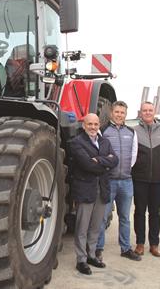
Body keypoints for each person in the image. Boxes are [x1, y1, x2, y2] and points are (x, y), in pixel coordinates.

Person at [69, 113, 118, 275]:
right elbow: (87, 164)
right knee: (82, 226)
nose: (93, 127)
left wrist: (99, 160)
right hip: (85, 189)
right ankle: (81, 260)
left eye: (96, 124)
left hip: (102, 189)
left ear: (99, 125)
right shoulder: (77, 142)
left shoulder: (105, 141)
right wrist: (105, 162)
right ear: (84, 125)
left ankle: (91, 255)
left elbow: (115, 160)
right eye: (90, 124)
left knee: (97, 226)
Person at [97, 100, 141, 261]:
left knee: (124, 217)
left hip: (126, 181)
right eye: (117, 112)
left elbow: (134, 155)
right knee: (102, 216)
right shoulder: (104, 131)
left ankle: (125, 248)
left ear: (125, 115)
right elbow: (100, 153)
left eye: (122, 112)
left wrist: (125, 170)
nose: (119, 115)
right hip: (109, 181)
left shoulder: (131, 132)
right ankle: (98, 248)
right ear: (111, 113)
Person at [131, 102, 160, 257]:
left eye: (150, 110)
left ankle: (154, 244)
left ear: (155, 112)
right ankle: (140, 243)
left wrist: (158, 166)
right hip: (139, 178)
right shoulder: (134, 131)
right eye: (144, 110)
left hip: (158, 179)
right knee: (139, 211)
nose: (147, 113)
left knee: (155, 212)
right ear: (140, 112)